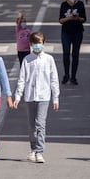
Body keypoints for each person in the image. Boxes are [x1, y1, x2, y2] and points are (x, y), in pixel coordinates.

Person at [13, 32, 60, 163]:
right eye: (35, 44)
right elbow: (22, 79)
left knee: (41, 124)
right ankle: (33, 149)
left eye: (40, 44)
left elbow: (54, 79)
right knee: (31, 126)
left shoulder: (49, 59)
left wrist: (55, 98)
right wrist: (17, 97)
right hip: (30, 96)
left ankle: (40, 151)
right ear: (30, 45)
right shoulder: (27, 60)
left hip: (44, 96)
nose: (37, 46)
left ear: (44, 44)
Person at [59, 0, 87, 85]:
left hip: (77, 32)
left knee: (75, 55)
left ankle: (73, 77)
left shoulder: (80, 4)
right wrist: (69, 18)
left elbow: (84, 19)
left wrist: (78, 18)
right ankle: (66, 75)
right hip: (66, 32)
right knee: (66, 53)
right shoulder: (64, 5)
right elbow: (60, 20)